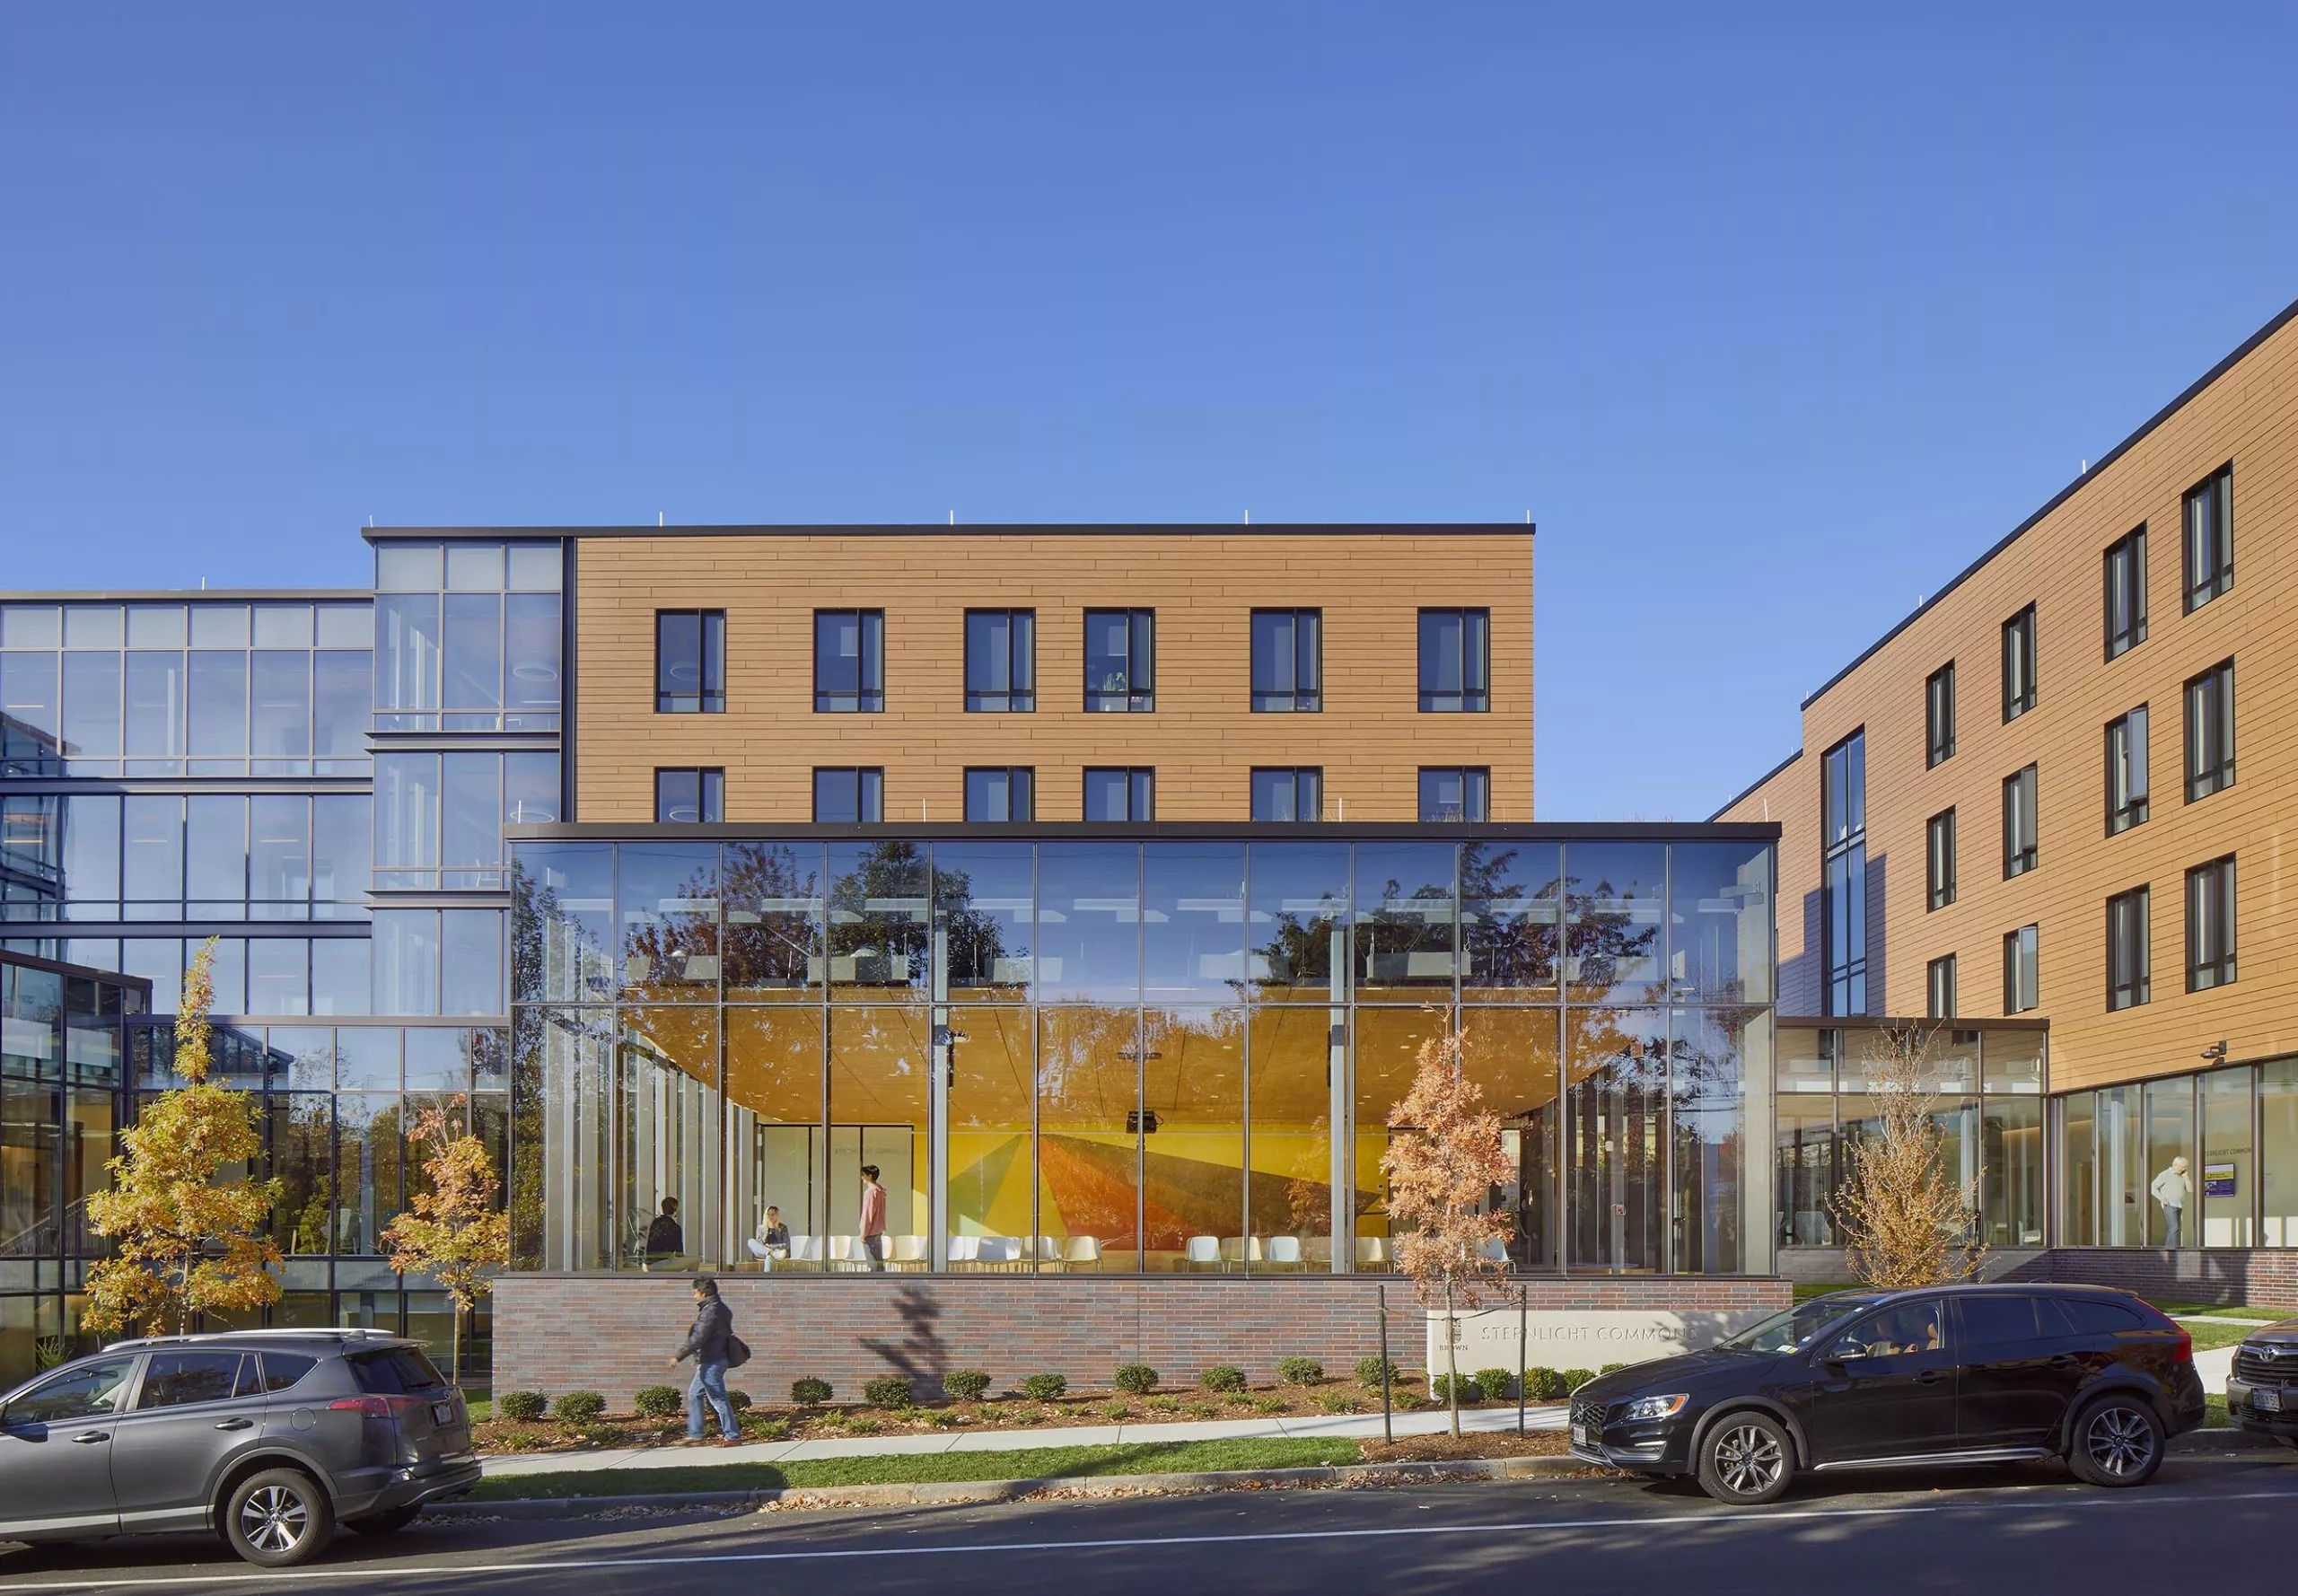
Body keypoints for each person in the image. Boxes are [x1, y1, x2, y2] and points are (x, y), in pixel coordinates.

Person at [667, 1276, 740, 1445]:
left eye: (695, 1293)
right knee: (694, 1394)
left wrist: (678, 1356)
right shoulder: (720, 1308)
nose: (694, 1297)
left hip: (711, 1361)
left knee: (717, 1398)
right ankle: (696, 1434)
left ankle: (732, 1435)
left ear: (703, 1292)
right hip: (714, 1359)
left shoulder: (710, 1312)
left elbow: (698, 1338)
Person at [2152, 1156, 2192, 1249]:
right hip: (2169, 1204)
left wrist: (2186, 1178)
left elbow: (2190, 1189)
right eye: (2183, 1166)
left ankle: (2169, 1248)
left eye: (2186, 1167)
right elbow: (2153, 1187)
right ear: (2176, 1165)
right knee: (2174, 1227)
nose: (2185, 1169)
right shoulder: (2165, 1174)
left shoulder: (2182, 1176)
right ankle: (2174, 1249)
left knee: (2175, 1228)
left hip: (2180, 1205)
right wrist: (2162, 1198)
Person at [858, 1164, 887, 1272]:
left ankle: (875, 1286)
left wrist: (863, 1234)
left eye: (863, 1175)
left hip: (870, 1233)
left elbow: (868, 1215)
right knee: (879, 1264)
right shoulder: (880, 1190)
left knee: (873, 1265)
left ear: (869, 1176)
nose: (862, 1177)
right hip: (878, 1231)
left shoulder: (870, 1192)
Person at [644, 1197, 684, 1268]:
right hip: (663, 1264)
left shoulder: (655, 1222)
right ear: (675, 1211)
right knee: (695, 1260)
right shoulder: (676, 1228)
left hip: (649, 1264)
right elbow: (679, 1254)